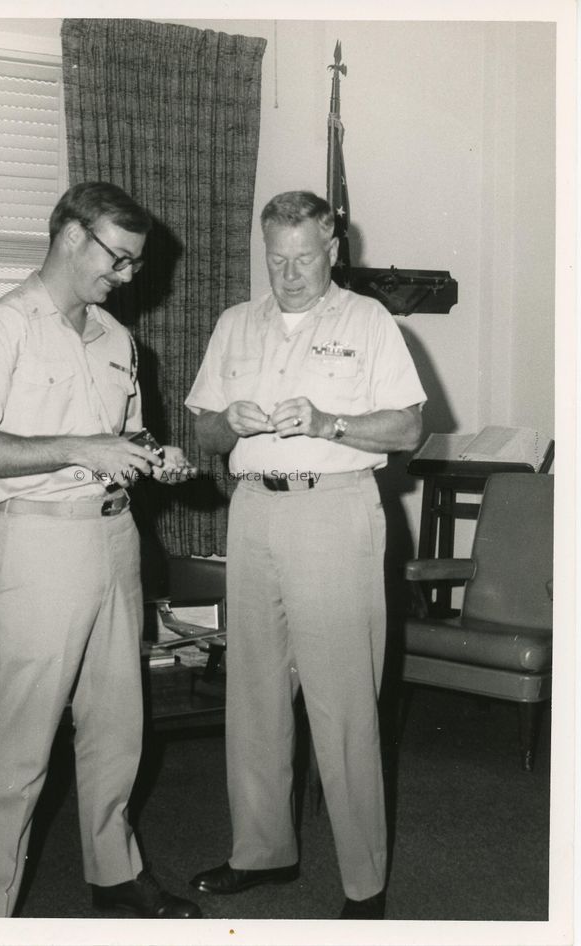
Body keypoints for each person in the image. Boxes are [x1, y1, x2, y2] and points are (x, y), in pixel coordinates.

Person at [0, 182, 200, 919]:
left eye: (133, 265)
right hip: (40, 547)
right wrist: (76, 448)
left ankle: (115, 876)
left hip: (116, 540)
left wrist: (160, 457)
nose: (125, 278)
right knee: (18, 749)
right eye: (118, 260)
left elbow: (127, 438)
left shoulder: (117, 340)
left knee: (119, 726)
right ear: (70, 237)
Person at [185, 190, 426, 920]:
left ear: (332, 250)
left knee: (344, 701)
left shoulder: (368, 321)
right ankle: (262, 852)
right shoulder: (236, 324)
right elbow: (205, 434)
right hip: (255, 508)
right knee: (253, 692)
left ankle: (363, 880)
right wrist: (224, 422)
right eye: (277, 258)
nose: (289, 274)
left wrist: (332, 421)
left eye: (304, 258)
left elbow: (410, 428)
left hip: (335, 509)